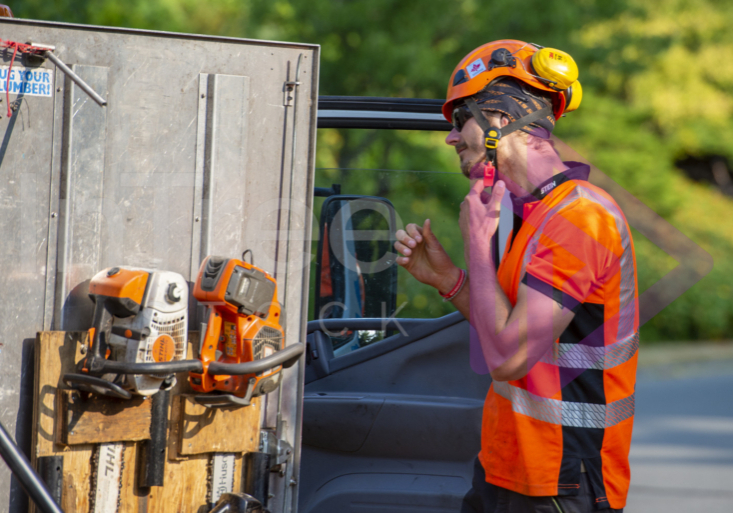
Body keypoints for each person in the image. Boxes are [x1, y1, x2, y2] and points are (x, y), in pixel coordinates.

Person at [394, 40, 638, 513]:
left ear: (499, 120)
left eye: (458, 119)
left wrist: (475, 245)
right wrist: (451, 280)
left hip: (563, 481)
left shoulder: (580, 218)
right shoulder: (532, 216)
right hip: (507, 470)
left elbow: (508, 357)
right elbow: (504, 331)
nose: (450, 138)